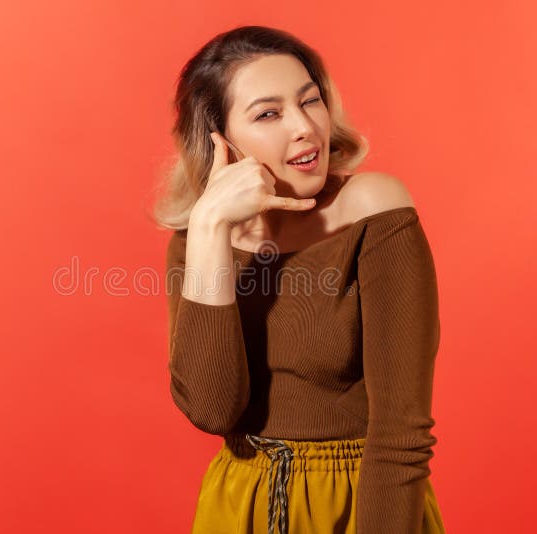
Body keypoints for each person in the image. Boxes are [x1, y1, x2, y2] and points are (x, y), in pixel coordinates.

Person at [152, 25, 447, 534]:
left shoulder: (374, 210)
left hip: (361, 505)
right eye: (269, 113)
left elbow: (401, 432)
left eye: (310, 102)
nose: (305, 127)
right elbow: (214, 410)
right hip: (235, 509)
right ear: (220, 140)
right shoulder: (198, 241)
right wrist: (208, 226)